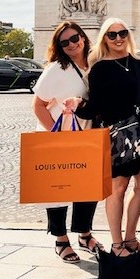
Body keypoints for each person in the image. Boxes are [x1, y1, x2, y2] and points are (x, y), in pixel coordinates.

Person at [68, 18, 140, 256]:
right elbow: (95, 106)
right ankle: (117, 244)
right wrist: (78, 105)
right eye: (112, 34)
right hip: (117, 136)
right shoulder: (100, 68)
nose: (118, 38)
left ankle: (130, 238)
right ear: (104, 38)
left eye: (122, 33)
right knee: (118, 188)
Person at [31, 21, 103, 263]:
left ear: (83, 37)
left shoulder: (95, 64)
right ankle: (61, 239)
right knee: (58, 190)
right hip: (59, 137)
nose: (72, 44)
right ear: (59, 46)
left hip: (87, 135)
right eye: (65, 42)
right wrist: (54, 134)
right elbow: (38, 104)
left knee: (87, 188)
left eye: (75, 38)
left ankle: (85, 234)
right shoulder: (56, 69)